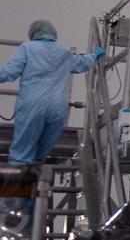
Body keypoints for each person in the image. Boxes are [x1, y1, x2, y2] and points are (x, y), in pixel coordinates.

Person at [0, 21, 104, 165]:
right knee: (42, 150)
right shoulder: (63, 52)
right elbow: (81, 63)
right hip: (58, 108)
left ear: (33, 33)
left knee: (22, 151)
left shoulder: (26, 48)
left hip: (33, 105)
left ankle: (18, 182)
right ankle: (36, 171)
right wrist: (94, 55)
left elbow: (9, 72)